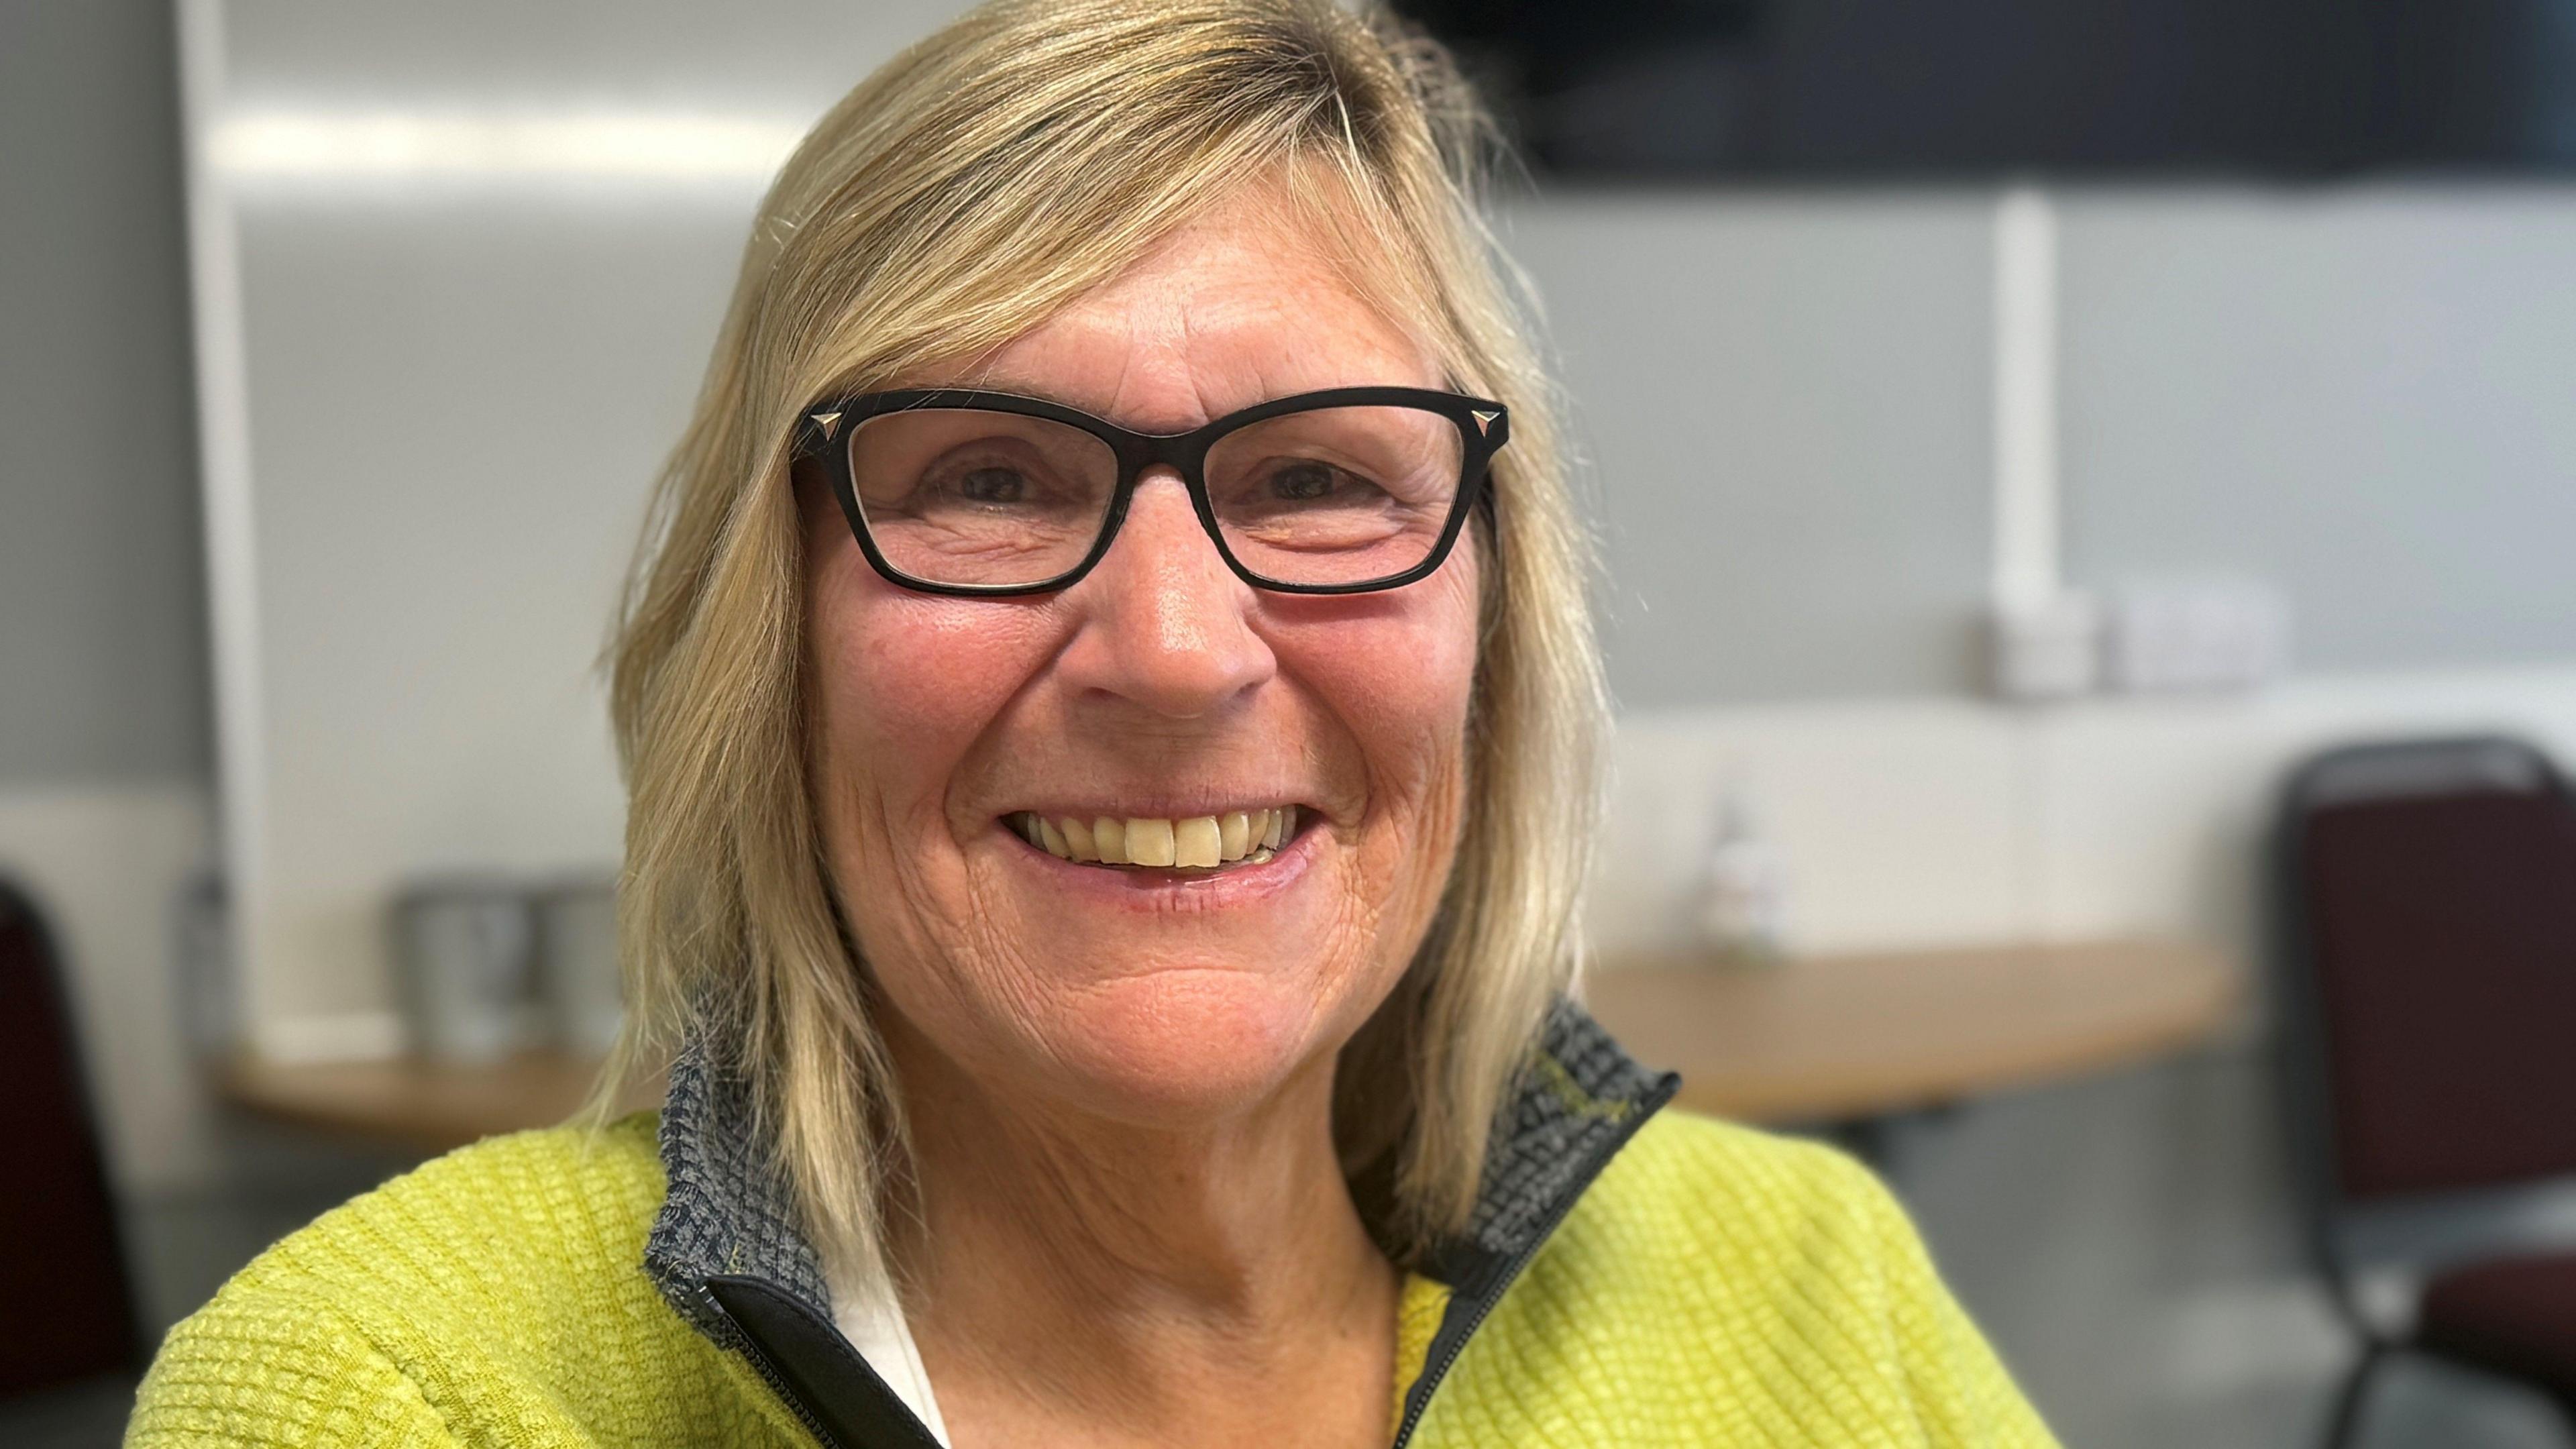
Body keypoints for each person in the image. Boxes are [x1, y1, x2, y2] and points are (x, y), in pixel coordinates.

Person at [129, 1, 2059, 1444]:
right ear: (771, 625)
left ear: (1491, 619)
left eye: (1316, 479)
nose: (1175, 648)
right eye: (986, 476)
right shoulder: (389, 1397)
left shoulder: (1818, 1295)